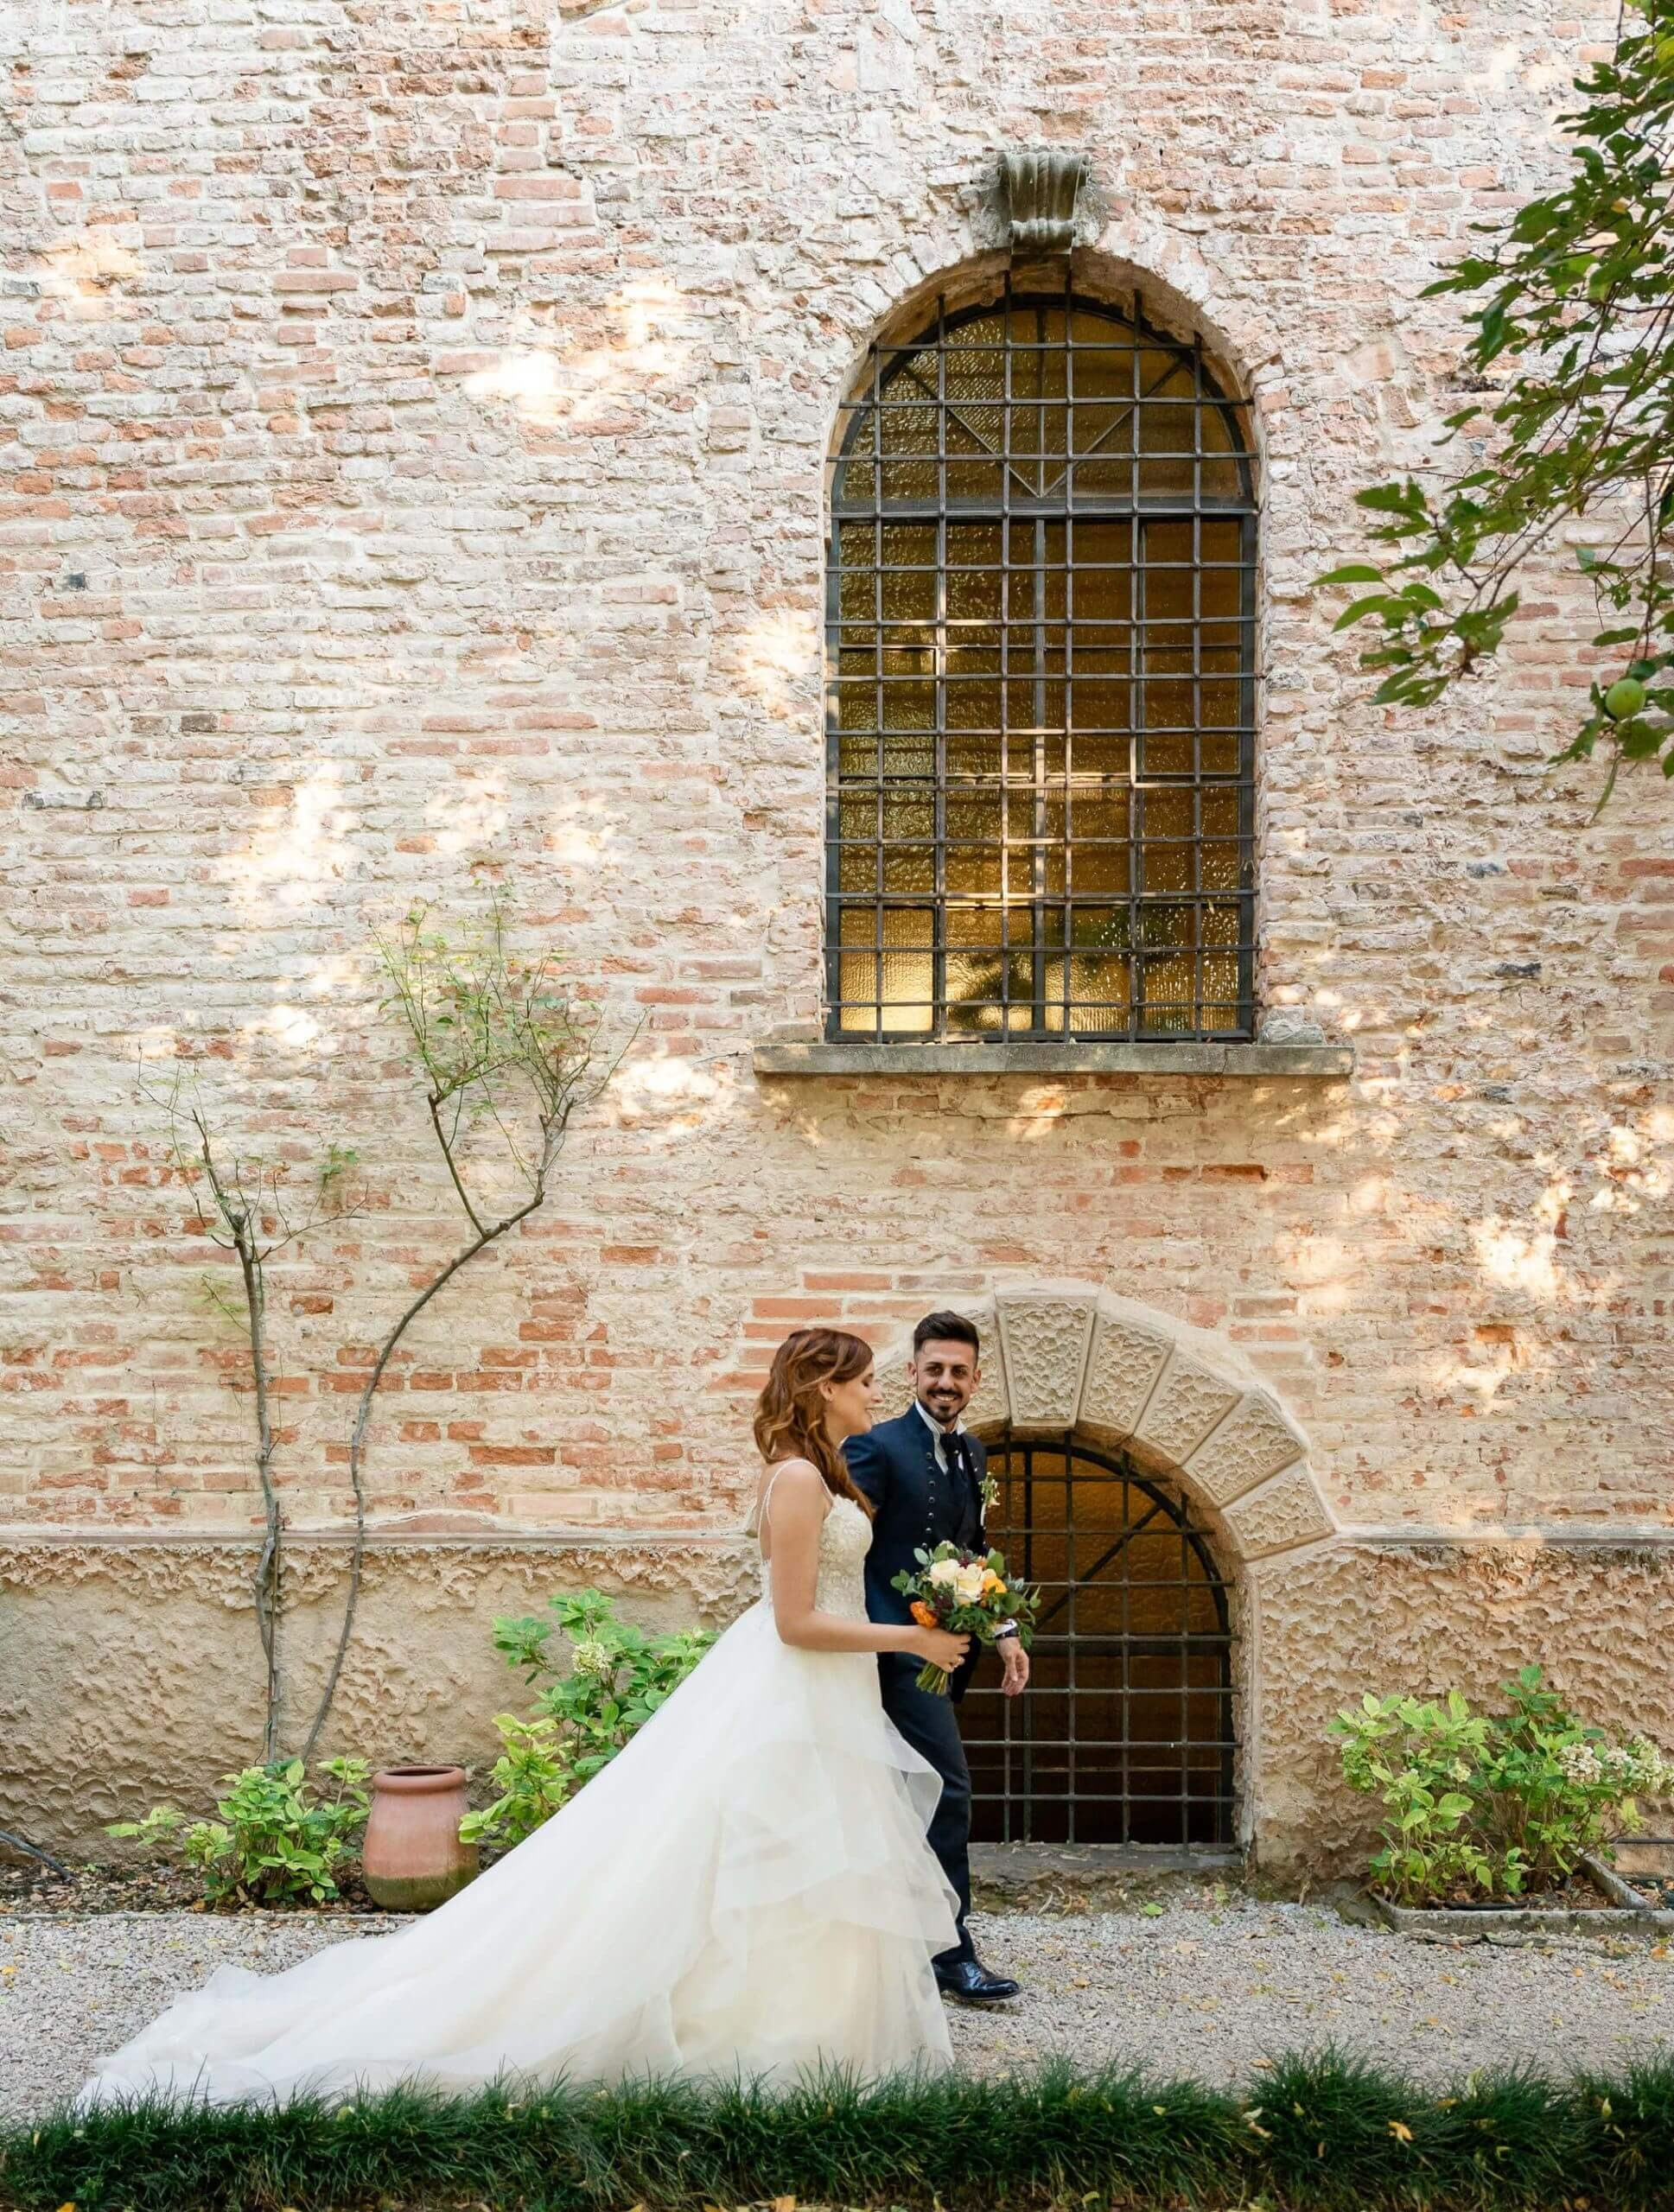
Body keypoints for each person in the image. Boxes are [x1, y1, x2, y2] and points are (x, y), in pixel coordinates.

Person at [74, 1329, 972, 2109]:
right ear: (823, 1389)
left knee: (810, 1863)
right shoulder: (791, 1479)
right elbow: (792, 1620)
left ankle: (808, 2036)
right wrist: (911, 1640)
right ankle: (745, 2036)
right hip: (789, 1686)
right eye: (860, 1382)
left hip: (826, 1692)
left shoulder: (822, 1472)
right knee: (754, 1857)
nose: (872, 1396)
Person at [843, 1309, 1028, 2006]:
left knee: (913, 1794)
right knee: (946, 1790)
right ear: (911, 1373)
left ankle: (905, 1942)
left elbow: (972, 1554)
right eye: (934, 1369)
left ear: (975, 1380)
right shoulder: (877, 1446)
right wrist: (882, 1639)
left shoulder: (974, 1454)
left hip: (946, 1656)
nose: (945, 1382)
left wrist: (1003, 1629)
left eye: (958, 1371)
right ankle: (953, 1954)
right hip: (890, 1653)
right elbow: (846, 1549)